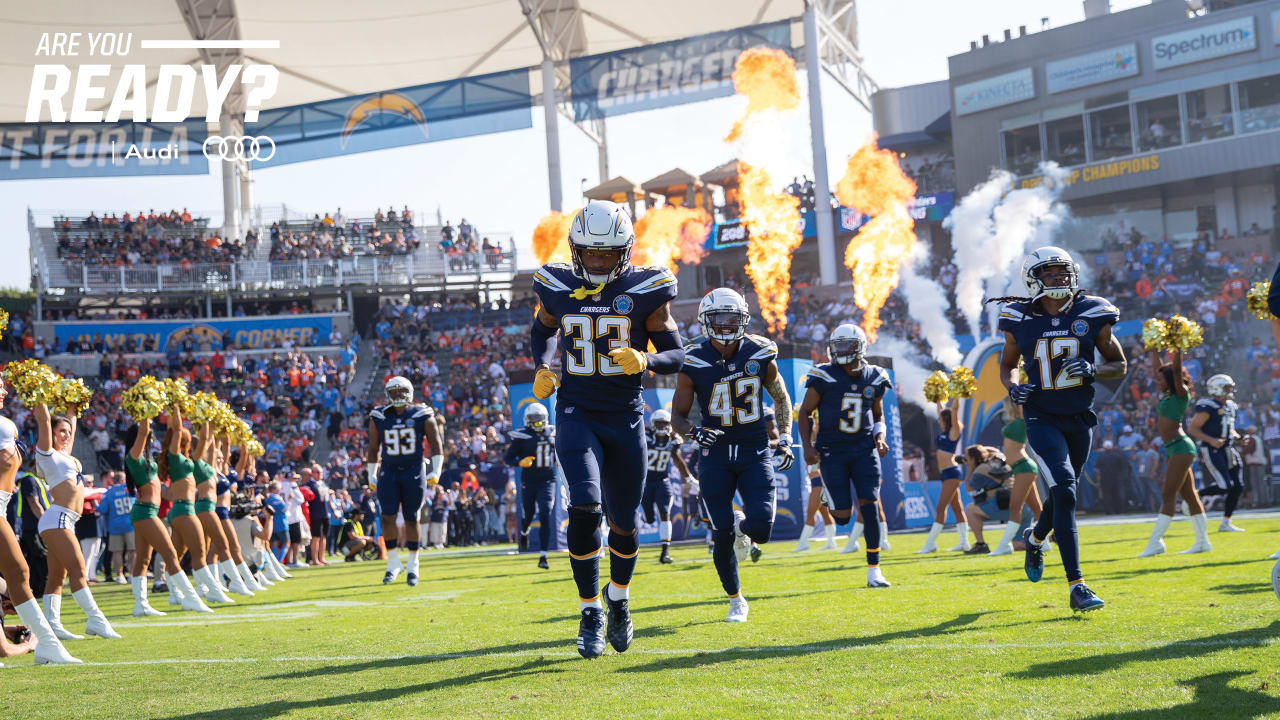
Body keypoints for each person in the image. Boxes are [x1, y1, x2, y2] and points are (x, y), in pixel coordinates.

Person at [529, 199, 684, 658]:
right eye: (590, 253)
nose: (597, 261)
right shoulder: (555, 284)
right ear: (576, 249)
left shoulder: (647, 290)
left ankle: (619, 599)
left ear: (626, 250)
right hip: (576, 412)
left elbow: (680, 353)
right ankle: (590, 610)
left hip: (625, 416)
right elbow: (542, 331)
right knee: (584, 506)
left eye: (606, 254)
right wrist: (542, 365)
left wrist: (648, 359)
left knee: (625, 523)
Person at [994, 245, 1127, 612]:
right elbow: (1008, 365)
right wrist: (1012, 385)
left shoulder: (1092, 311)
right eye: (1050, 273)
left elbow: (1119, 364)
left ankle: (1035, 538)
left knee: (1064, 493)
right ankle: (1077, 585)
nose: (1058, 279)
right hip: (1040, 415)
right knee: (1065, 489)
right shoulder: (1017, 317)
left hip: (1079, 416)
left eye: (1062, 272)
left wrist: (1094, 370)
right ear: (1033, 279)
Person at [672, 288, 793, 622]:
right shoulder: (692, 357)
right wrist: (695, 432)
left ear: (743, 319)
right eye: (718, 319)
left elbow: (781, 399)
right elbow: (678, 418)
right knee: (722, 532)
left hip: (755, 449)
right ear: (704, 321)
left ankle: (745, 526)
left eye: (731, 318)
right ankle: (736, 599)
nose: (725, 325)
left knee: (762, 530)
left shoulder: (761, 351)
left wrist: (784, 438)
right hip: (715, 452)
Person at [796, 323, 891, 589]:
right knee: (842, 517)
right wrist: (807, 446)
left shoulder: (874, 376)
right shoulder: (824, 375)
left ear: (860, 347)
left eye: (847, 346)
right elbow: (805, 412)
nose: (841, 351)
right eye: (837, 346)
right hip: (832, 450)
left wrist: (880, 438)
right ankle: (831, 495)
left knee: (870, 504)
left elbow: (878, 415)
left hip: (863, 449)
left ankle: (874, 569)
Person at [0, 387, 79, 663]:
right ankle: (46, 643)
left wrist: (72, 411)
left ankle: (46, 643)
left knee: (17, 572)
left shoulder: (5, 425)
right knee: (19, 571)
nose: (5, 389)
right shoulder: (3, 426)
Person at [33, 402, 121, 639]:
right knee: (78, 571)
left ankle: (52, 626)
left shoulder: (65, 456)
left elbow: (71, 427)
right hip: (58, 519)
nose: (66, 435)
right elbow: (43, 419)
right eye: (61, 431)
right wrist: (39, 394)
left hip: (66, 521)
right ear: (50, 432)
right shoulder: (47, 453)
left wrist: (73, 408)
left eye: (68, 432)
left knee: (56, 577)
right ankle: (96, 620)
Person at [124, 418, 211, 615]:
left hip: (147, 512)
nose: (151, 438)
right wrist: (146, 412)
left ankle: (141, 605)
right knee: (170, 555)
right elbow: (143, 432)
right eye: (149, 436)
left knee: (143, 560)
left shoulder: (145, 460)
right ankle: (191, 598)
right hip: (145, 512)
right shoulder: (134, 457)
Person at [367, 375, 443, 587]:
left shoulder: (422, 414)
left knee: (412, 517)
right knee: (387, 517)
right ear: (387, 394)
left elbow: (436, 445)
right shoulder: (379, 416)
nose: (398, 395)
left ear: (409, 392)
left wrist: (436, 471)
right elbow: (373, 448)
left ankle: (413, 564)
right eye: (394, 392)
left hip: (414, 471)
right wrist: (370, 474)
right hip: (389, 471)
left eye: (402, 391)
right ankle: (392, 563)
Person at [1137, 346, 1211, 556]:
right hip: (1173, 449)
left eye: (1162, 380)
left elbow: (1176, 372)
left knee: (1167, 494)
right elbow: (1158, 371)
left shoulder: (1181, 392)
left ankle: (1155, 542)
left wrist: (1176, 350)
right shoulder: (1168, 393)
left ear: (1171, 379)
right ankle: (1203, 542)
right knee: (1189, 495)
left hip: (1181, 447)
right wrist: (1153, 352)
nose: (1158, 382)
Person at [161, 401, 233, 605]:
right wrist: (175, 407)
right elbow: (177, 430)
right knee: (199, 553)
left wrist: (207, 418)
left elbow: (206, 439)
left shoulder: (187, 461)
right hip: (184, 509)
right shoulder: (175, 458)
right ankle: (211, 591)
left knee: (176, 554)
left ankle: (175, 594)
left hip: (183, 510)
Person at [194, 423, 252, 596]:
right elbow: (211, 446)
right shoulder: (202, 466)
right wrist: (210, 427)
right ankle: (238, 582)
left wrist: (221, 431)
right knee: (223, 547)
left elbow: (221, 449)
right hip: (212, 510)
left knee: (212, 551)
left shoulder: (218, 470)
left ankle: (215, 583)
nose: (220, 458)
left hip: (218, 511)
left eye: (221, 457)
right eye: (217, 456)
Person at [1188, 374, 1246, 533]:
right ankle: (1195, 495)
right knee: (1225, 486)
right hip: (1212, 450)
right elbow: (1193, 428)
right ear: (1217, 388)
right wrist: (1211, 440)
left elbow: (1229, 429)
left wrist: (1238, 438)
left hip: (1228, 449)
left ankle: (1226, 522)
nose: (1231, 390)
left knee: (1238, 487)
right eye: (1228, 387)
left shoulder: (1230, 406)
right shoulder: (1208, 406)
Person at [504, 402, 558, 569]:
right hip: (529, 481)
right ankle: (524, 532)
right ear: (528, 420)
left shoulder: (553, 432)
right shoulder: (522, 436)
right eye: (534, 419)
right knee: (528, 516)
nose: (537, 422)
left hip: (548, 480)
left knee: (545, 512)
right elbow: (508, 458)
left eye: (539, 418)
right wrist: (520, 462)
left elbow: (559, 451)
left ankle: (543, 556)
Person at [989, 398, 1043, 555]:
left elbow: (1022, 405)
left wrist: (1018, 389)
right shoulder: (1015, 422)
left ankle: (1005, 545)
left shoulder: (1021, 419)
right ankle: (1043, 543)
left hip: (1023, 467)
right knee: (1036, 508)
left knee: (1014, 508)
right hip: (1022, 468)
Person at [640, 409, 694, 565]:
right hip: (645, 483)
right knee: (648, 519)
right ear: (653, 423)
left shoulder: (673, 440)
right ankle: (646, 516)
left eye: (665, 422)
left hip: (663, 481)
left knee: (665, 513)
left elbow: (678, 461)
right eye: (659, 423)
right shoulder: (644, 436)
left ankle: (665, 552)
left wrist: (689, 478)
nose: (663, 426)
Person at [958, 445, 1031, 554]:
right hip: (1025, 508)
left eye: (967, 457)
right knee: (1018, 545)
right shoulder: (999, 462)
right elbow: (995, 451)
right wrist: (981, 450)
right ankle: (1048, 540)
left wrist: (970, 467)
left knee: (970, 509)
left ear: (973, 458)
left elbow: (969, 487)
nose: (965, 459)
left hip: (1006, 505)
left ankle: (981, 544)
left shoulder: (981, 469)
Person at [918, 397, 969, 553]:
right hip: (945, 474)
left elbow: (953, 411)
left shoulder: (954, 432)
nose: (938, 420)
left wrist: (957, 394)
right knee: (957, 509)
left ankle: (930, 543)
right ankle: (964, 543)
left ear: (947, 420)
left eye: (941, 419)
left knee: (941, 507)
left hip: (952, 473)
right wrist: (938, 397)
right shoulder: (943, 432)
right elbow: (941, 409)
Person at [793, 461, 839, 553]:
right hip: (817, 482)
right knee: (825, 514)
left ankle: (803, 543)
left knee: (811, 514)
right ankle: (831, 542)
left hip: (818, 483)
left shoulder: (817, 450)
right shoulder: (813, 450)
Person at [99, 471, 135, 585]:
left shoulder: (109, 492)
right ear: (123, 480)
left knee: (117, 552)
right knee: (132, 551)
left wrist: (95, 505)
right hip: (130, 524)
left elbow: (103, 510)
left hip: (114, 526)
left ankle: (120, 575)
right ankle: (132, 574)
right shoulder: (129, 489)